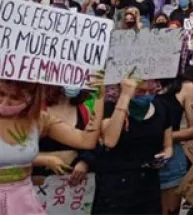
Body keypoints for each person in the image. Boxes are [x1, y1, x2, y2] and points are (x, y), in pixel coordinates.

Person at [0, 76, 103, 214]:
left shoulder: (39, 120)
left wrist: (100, 95)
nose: (5, 102)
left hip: (22, 202)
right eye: (1, 94)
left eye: (15, 97)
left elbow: (86, 141)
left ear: (29, 97)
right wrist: (46, 159)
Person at [94, 78, 173, 214]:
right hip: (115, 191)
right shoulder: (109, 108)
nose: (147, 95)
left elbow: (168, 146)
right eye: (141, 92)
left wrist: (165, 156)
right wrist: (124, 97)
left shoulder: (162, 107)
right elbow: (109, 141)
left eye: (151, 91)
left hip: (148, 189)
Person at [156, 75, 193, 215]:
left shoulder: (185, 87)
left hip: (171, 163)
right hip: (136, 161)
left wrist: (166, 137)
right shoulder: (131, 85)